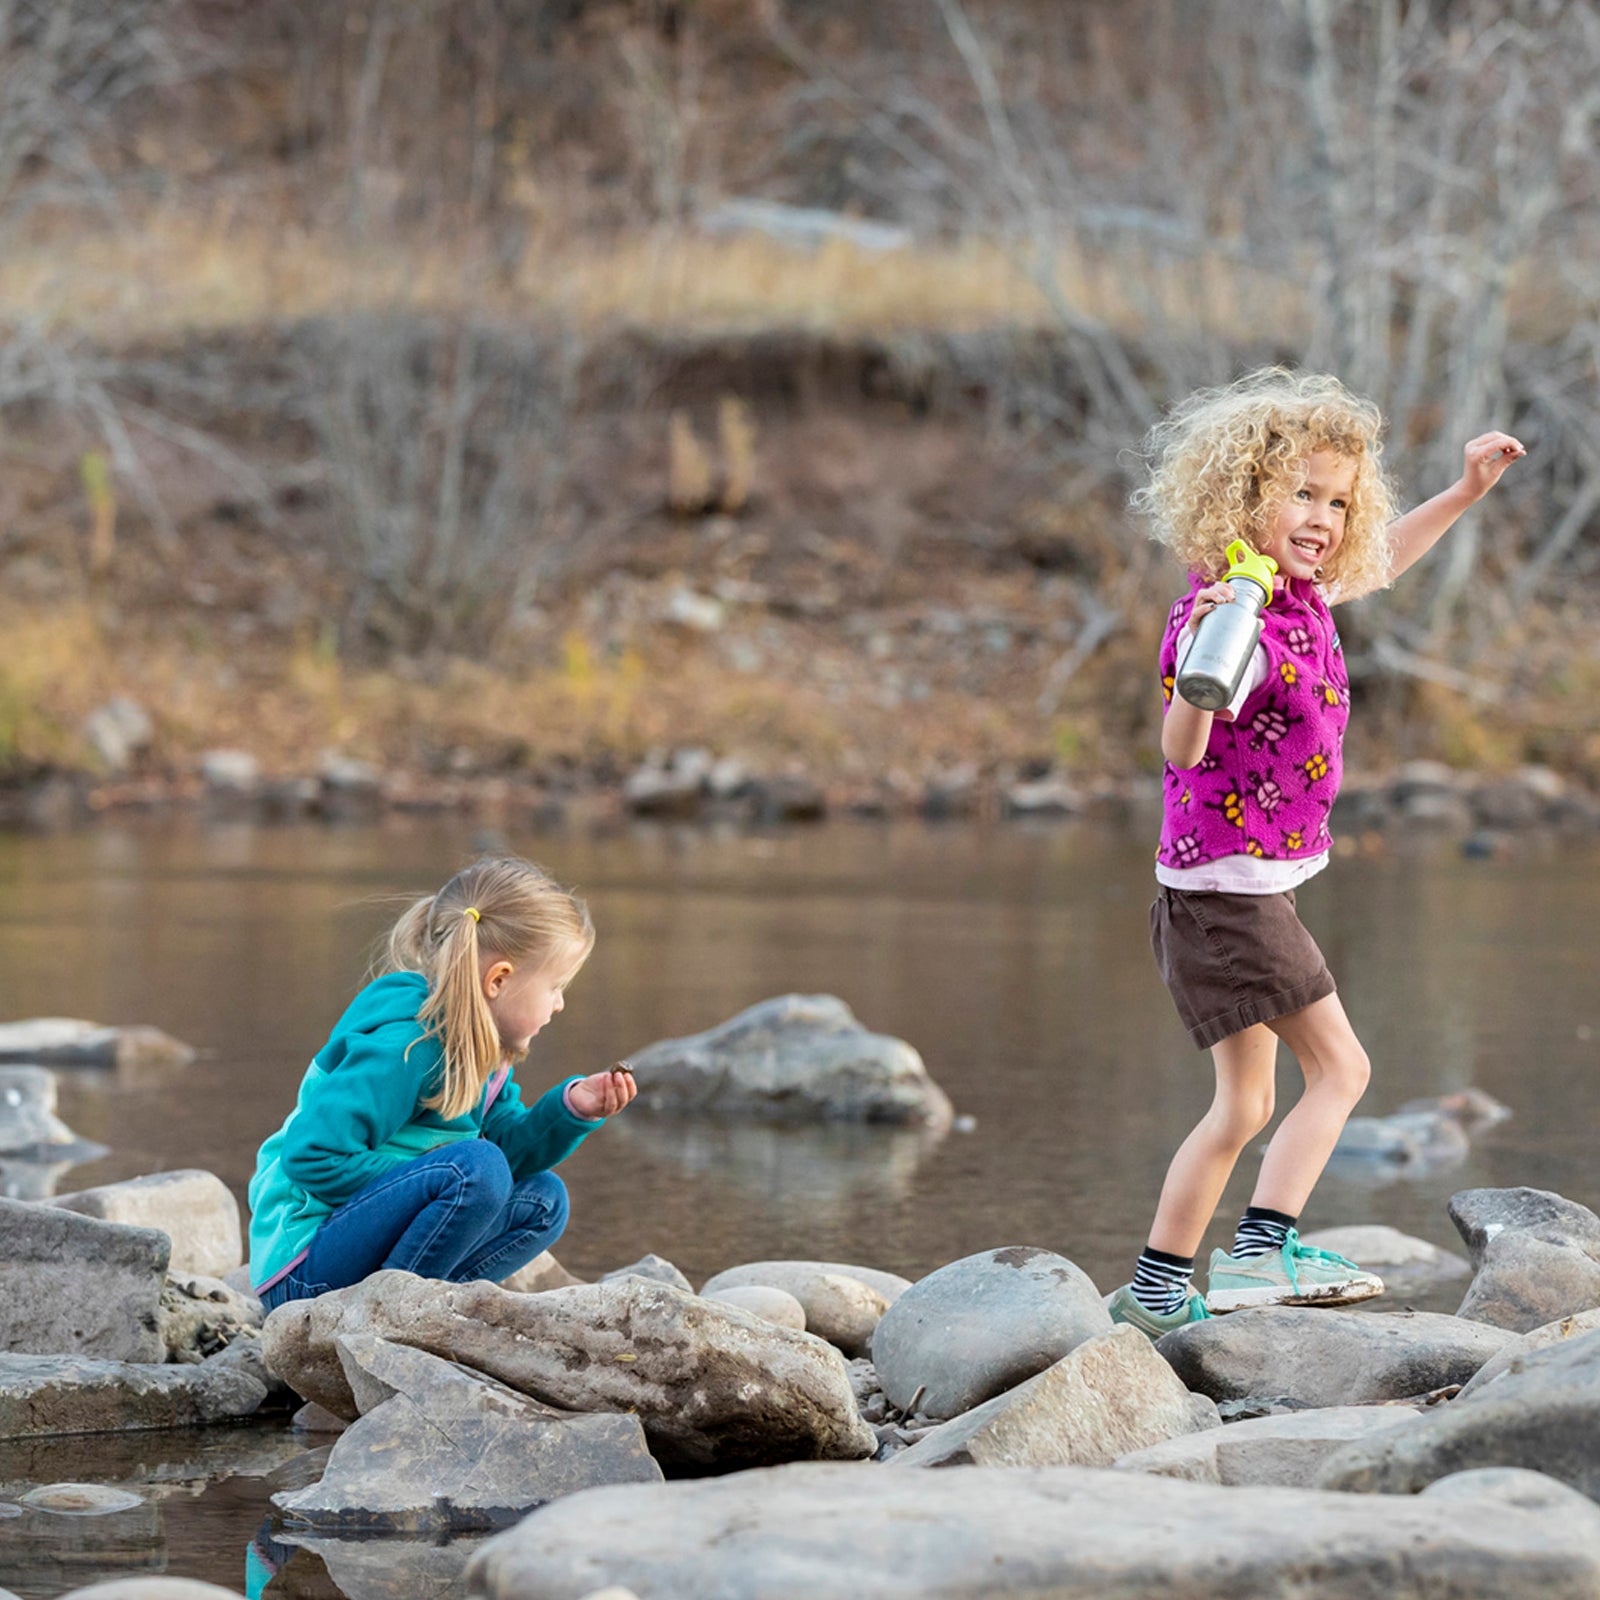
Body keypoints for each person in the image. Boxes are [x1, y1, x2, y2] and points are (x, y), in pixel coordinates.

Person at [1106, 367, 1525, 1337]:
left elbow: (1380, 559)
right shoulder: (1231, 614)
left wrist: (1462, 492)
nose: (1324, 517)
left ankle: (1158, 1288)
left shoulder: (1298, 593)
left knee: (1244, 1106)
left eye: (1336, 500)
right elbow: (1177, 748)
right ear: (1238, 497)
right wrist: (1203, 678)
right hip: (1227, 897)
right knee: (1342, 1072)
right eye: (1301, 493)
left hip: (1240, 887)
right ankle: (1258, 1253)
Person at [248, 855, 635, 1309]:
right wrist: (436, 1171)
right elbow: (310, 1156)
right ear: (499, 980)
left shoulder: (483, 1049)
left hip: (369, 1247)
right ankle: (389, 1317)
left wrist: (570, 1111)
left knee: (544, 1200)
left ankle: (432, 1310)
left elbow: (504, 1155)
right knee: (474, 1168)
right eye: (554, 987)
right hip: (304, 1266)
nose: (560, 1004)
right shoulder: (405, 1048)